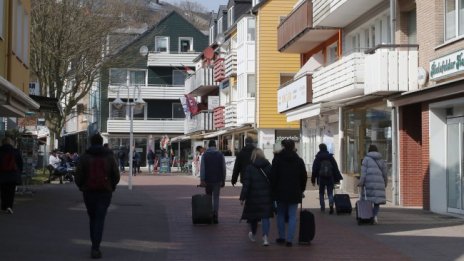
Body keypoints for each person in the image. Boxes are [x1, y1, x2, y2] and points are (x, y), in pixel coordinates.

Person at [75, 133, 120, 259]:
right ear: (101, 142)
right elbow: (116, 175)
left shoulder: (85, 156)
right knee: (100, 219)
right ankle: (96, 247)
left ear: (91, 142)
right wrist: (112, 186)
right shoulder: (109, 156)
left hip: (89, 192)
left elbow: (78, 175)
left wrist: (81, 187)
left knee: (92, 218)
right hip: (105, 192)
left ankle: (94, 245)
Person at [270, 139, 307, 247]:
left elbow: (273, 176)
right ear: (293, 147)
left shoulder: (277, 159)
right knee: (292, 215)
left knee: (280, 214)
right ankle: (290, 239)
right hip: (295, 191)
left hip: (280, 191)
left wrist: (273, 189)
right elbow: (303, 177)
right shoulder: (299, 160)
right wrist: (302, 189)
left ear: (283, 147)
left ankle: (282, 237)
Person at [240, 148, 273, 246]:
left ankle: (253, 234)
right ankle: (265, 237)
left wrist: (242, 197)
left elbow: (246, 184)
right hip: (266, 195)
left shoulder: (250, 167)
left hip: (253, 196)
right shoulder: (268, 166)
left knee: (254, 216)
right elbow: (273, 180)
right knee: (266, 217)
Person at [359, 144, 387, 224]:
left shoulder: (366, 159)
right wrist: (385, 183)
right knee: (377, 202)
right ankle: (374, 216)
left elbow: (363, 173)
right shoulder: (381, 160)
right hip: (379, 182)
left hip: (369, 183)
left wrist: (361, 182)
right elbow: (385, 174)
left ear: (369, 150)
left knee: (368, 200)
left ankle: (368, 216)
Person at [311, 143, 343, 214]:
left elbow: (314, 169)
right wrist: (337, 178)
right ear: (326, 148)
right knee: (330, 192)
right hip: (330, 177)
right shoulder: (330, 157)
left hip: (321, 178)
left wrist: (313, 179)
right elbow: (335, 168)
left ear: (320, 149)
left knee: (321, 192)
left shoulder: (318, 158)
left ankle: (322, 207)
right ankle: (331, 205)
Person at [199, 140, 226, 224]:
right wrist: (223, 179)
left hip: (208, 180)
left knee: (209, 197)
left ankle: (209, 214)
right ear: (215, 145)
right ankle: (215, 215)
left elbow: (202, 168)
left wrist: (202, 179)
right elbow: (224, 168)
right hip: (218, 179)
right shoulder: (220, 154)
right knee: (216, 198)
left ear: (208, 146)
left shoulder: (205, 155)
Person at [0, 137, 23, 214]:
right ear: (10, 143)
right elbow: (20, 164)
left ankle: (3, 206)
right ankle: (9, 206)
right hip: (13, 175)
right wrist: (19, 172)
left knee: (3, 191)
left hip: (2, 174)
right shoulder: (15, 151)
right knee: (11, 191)